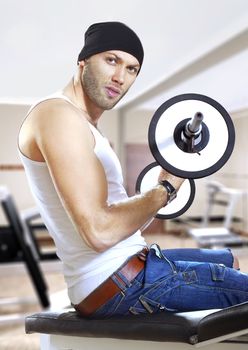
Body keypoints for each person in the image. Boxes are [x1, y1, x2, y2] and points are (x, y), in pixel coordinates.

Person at [18, 21, 248, 319]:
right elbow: (99, 232)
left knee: (229, 260)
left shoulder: (86, 126)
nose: (120, 77)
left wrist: (160, 188)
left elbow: (118, 221)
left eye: (132, 69)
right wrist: (164, 190)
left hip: (130, 264)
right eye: (111, 60)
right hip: (116, 283)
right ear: (83, 61)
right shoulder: (58, 115)